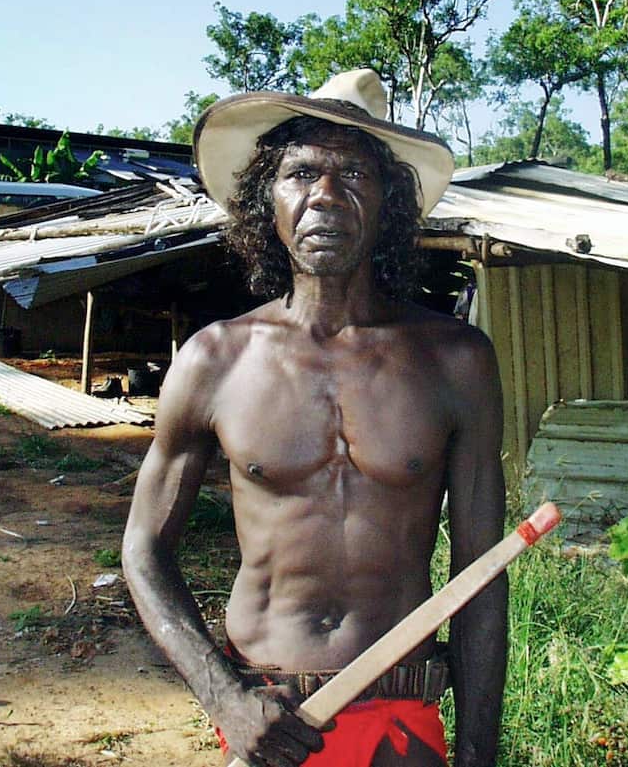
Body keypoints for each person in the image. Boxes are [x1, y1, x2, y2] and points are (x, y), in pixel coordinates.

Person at [123, 69, 507, 767]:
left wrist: (480, 754)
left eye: (353, 173)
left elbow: (481, 574)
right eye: (301, 172)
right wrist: (226, 698)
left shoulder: (456, 361)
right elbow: (144, 549)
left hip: (402, 719)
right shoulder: (215, 359)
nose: (325, 196)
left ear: (388, 202)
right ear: (266, 198)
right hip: (270, 725)